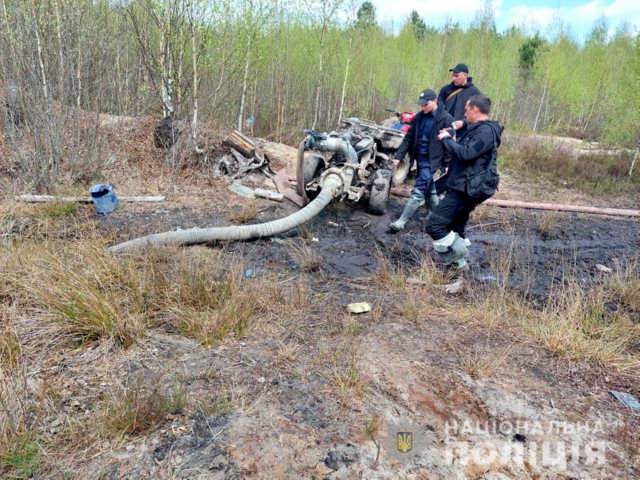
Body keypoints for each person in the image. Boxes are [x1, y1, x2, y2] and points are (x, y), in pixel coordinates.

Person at [426, 94, 503, 270]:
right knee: (455, 227)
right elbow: (462, 135)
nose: (464, 113)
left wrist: (446, 139)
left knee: (434, 225)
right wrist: (453, 130)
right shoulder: (478, 128)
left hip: (467, 189)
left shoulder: (485, 132)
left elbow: (466, 154)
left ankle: (459, 255)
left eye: (467, 109)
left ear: (475, 109)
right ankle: (459, 269)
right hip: (464, 185)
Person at [388, 88, 454, 232]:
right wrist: (398, 157)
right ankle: (436, 217)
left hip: (433, 160)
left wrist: (447, 163)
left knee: (418, 190)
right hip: (419, 158)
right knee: (430, 189)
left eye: (425, 104)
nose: (422, 107)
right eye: (421, 104)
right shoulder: (419, 117)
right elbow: (409, 138)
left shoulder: (446, 119)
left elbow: (449, 143)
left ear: (435, 101)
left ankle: (401, 221)